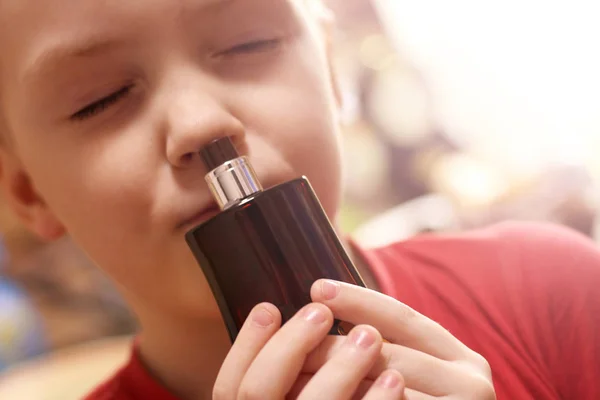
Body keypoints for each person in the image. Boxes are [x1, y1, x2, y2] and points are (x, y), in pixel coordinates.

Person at [0, 0, 597, 399]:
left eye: (247, 43)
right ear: (28, 191)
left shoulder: (550, 287)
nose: (202, 124)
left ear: (333, 72)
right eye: (100, 99)